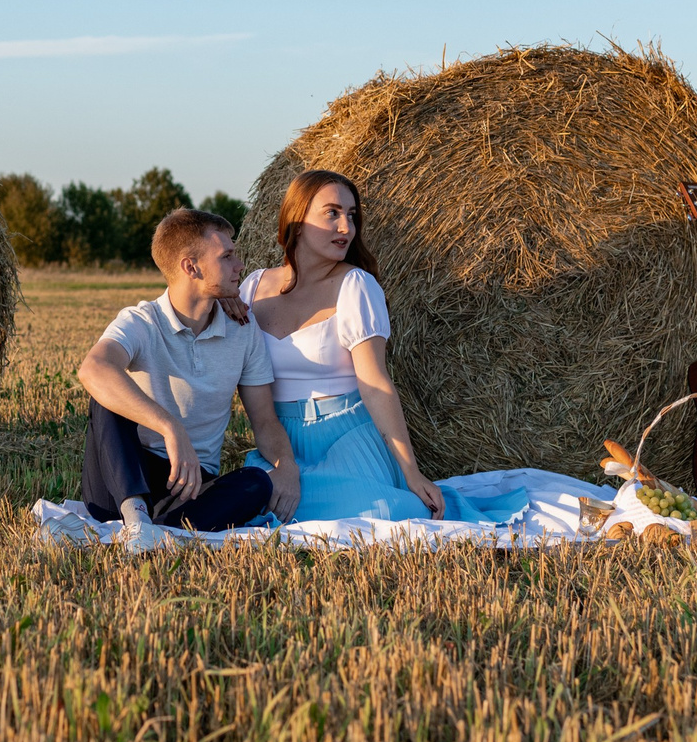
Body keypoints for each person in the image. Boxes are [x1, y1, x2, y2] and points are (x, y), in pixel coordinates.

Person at [76, 207, 303, 552]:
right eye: (227, 256)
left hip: (189, 486)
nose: (240, 265)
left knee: (257, 482)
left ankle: (153, 531)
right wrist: (171, 428)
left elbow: (265, 420)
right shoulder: (142, 321)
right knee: (106, 394)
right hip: (120, 480)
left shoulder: (243, 329)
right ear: (191, 267)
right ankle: (137, 519)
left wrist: (286, 467)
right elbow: (92, 368)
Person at [239, 169, 448, 522]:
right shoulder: (253, 288)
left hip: (346, 436)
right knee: (249, 513)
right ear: (297, 221)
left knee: (377, 517)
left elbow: (376, 384)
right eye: (332, 213)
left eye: (351, 216)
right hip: (278, 439)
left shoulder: (356, 286)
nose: (346, 228)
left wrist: (411, 472)